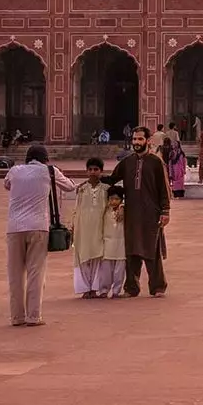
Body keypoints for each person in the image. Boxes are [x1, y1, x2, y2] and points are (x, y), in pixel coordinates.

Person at [3, 143, 75, 326]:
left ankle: (16, 317)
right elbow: (70, 187)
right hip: (38, 226)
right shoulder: (48, 171)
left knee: (15, 274)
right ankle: (33, 316)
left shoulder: (14, 170)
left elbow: (7, 185)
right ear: (45, 158)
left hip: (14, 226)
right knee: (36, 272)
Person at [103, 127, 171, 298]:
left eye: (140, 139)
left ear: (148, 141)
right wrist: (95, 179)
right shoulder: (127, 162)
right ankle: (131, 287)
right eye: (134, 139)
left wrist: (165, 211)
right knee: (131, 250)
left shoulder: (156, 162)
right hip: (132, 212)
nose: (136, 143)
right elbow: (113, 179)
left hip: (151, 212)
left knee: (151, 249)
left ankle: (157, 286)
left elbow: (164, 189)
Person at [72, 156, 110, 298]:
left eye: (96, 169)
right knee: (83, 257)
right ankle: (85, 288)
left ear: (101, 171)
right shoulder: (81, 189)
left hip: (99, 227)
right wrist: (73, 226)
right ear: (86, 171)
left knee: (98, 257)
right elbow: (76, 209)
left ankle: (95, 288)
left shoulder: (106, 189)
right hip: (83, 228)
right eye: (90, 169)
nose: (93, 172)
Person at [97, 187, 127, 297]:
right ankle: (103, 290)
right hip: (107, 244)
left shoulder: (124, 211)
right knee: (105, 271)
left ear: (121, 200)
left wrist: (123, 207)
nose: (114, 201)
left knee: (119, 271)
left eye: (117, 199)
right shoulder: (105, 210)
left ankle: (116, 291)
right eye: (111, 199)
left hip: (121, 244)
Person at [164, 133, 187, 198]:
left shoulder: (181, 153)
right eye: (174, 144)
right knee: (175, 183)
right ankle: (175, 194)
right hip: (174, 170)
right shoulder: (172, 152)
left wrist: (184, 169)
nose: (175, 145)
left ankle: (180, 195)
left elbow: (184, 161)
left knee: (180, 183)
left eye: (176, 144)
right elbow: (170, 161)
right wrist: (170, 170)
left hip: (180, 169)